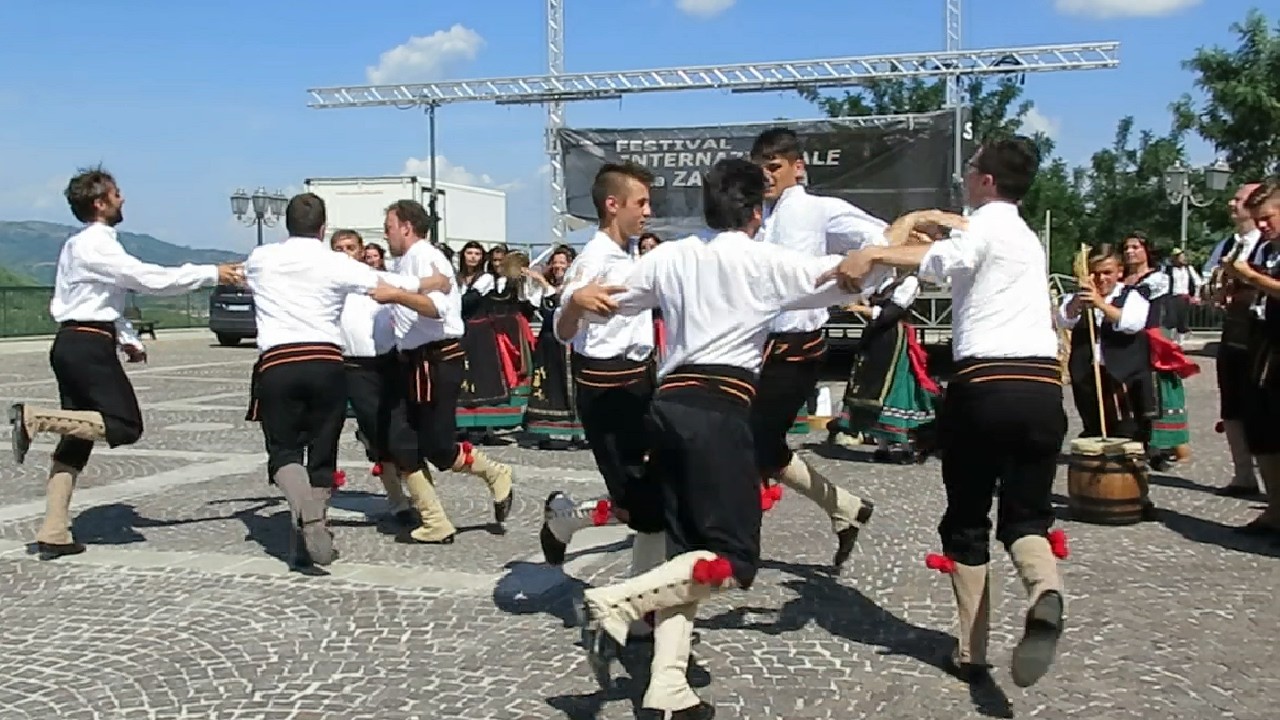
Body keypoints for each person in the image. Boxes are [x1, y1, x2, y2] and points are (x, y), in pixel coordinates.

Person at [565, 158, 861, 719]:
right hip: (719, 412)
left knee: (688, 549)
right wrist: (893, 249)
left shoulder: (668, 256)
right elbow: (844, 275)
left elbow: (593, 302)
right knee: (735, 559)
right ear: (755, 212)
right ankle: (617, 602)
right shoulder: (766, 259)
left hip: (667, 405)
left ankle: (668, 687)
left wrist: (572, 303)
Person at [826, 137, 1067, 689]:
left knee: (967, 517)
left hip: (985, 388)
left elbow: (948, 255)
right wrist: (935, 218)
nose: (965, 178)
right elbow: (963, 238)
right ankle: (1044, 589)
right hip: (1041, 390)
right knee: (1026, 518)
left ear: (985, 181)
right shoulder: (1023, 236)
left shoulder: (984, 229)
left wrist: (874, 254)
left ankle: (972, 650)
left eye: (971, 170)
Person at [8, 166, 240, 560]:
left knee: (77, 439)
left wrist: (128, 338)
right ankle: (35, 419)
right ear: (100, 202)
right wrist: (209, 272)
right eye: (116, 193)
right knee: (125, 425)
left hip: (74, 340)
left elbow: (100, 298)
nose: (123, 199)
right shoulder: (96, 244)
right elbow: (143, 278)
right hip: (87, 346)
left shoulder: (76, 245)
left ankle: (54, 530)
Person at [242, 193, 444, 570]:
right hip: (326, 363)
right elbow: (383, 281)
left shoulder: (262, 257)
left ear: (287, 225)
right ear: (323, 228)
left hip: (278, 363)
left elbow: (236, 275)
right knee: (321, 454)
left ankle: (307, 519)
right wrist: (432, 281)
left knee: (284, 452)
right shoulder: (334, 262)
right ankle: (309, 527)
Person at [748, 127, 887, 571]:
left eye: (774, 167)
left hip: (797, 346)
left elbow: (879, 237)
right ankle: (845, 507)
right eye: (761, 169)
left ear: (797, 167)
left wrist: (856, 270)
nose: (767, 176)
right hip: (760, 346)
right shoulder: (759, 219)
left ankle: (735, 545)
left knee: (746, 444)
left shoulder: (818, 210)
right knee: (764, 448)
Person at [540, 164, 663, 645]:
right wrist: (573, 303)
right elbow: (563, 330)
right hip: (607, 392)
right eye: (641, 204)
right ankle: (636, 608)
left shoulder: (631, 252)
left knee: (655, 496)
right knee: (644, 507)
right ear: (613, 205)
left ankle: (569, 522)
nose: (648, 213)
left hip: (641, 384)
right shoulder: (592, 257)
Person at [379, 199, 515, 545]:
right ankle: (434, 520)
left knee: (439, 448)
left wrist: (396, 293)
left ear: (407, 227)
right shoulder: (406, 261)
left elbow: (435, 309)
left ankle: (496, 472)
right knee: (401, 442)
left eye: (390, 226)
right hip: (412, 362)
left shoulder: (427, 257)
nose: (386, 233)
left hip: (438, 361)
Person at [331, 229, 413, 524]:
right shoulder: (330, 285)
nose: (345, 252)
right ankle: (397, 501)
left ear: (361, 250)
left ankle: (419, 491)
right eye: (338, 248)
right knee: (375, 435)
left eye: (350, 247)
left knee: (402, 430)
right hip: (353, 366)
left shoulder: (379, 280)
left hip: (389, 362)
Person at [831, 272, 940, 463]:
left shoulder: (910, 282)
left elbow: (890, 314)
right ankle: (882, 445)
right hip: (877, 337)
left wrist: (859, 309)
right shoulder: (885, 280)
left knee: (893, 388)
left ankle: (905, 446)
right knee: (869, 385)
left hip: (894, 339)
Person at [1225, 182, 1280, 539]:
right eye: (1258, 220)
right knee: (1262, 429)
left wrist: (1254, 278)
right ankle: (1275, 509)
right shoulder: (1268, 250)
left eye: (1268, 218)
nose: (1261, 226)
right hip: (1263, 341)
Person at [1207, 183, 1264, 498]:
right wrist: (1216, 291)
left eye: (1239, 199)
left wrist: (1246, 283)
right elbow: (1208, 283)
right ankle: (1243, 475)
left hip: (1261, 333)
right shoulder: (1228, 243)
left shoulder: (1268, 245)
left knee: (1262, 405)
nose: (1232, 203)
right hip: (1233, 331)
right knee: (1231, 404)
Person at [522, 245, 586, 449]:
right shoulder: (546, 286)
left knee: (571, 387)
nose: (558, 266)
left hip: (568, 341)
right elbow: (537, 308)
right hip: (548, 340)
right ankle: (544, 431)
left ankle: (577, 433)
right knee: (547, 385)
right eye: (555, 262)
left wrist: (541, 281)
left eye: (562, 262)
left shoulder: (575, 286)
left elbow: (558, 306)